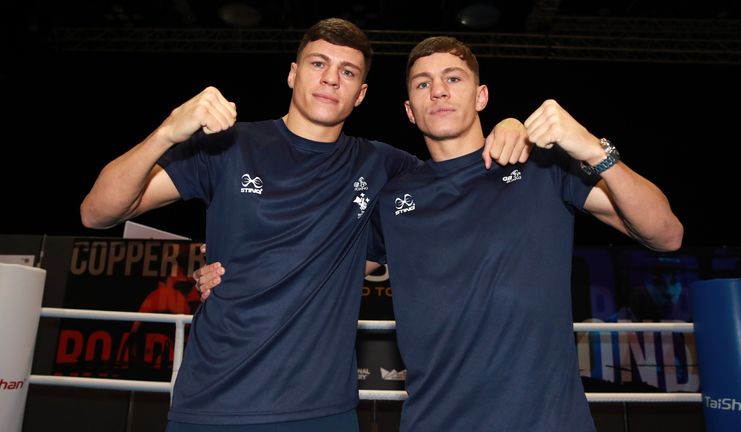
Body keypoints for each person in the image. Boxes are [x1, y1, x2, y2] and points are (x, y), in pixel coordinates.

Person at [195, 35, 683, 431]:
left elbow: (666, 234)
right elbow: (317, 255)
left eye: (453, 79)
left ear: (481, 95)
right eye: (424, 84)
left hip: (547, 420)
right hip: (432, 420)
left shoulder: (542, 166)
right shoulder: (393, 193)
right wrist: (231, 273)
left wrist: (593, 148)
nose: (440, 91)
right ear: (410, 110)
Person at [80, 19, 528, 431]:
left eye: (348, 72)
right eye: (319, 64)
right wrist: (167, 132)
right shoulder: (230, 146)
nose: (332, 78)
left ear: (362, 94)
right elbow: (97, 212)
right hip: (212, 400)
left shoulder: (381, 165)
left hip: (321, 412)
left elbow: (461, 179)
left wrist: (509, 126)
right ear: (294, 74)